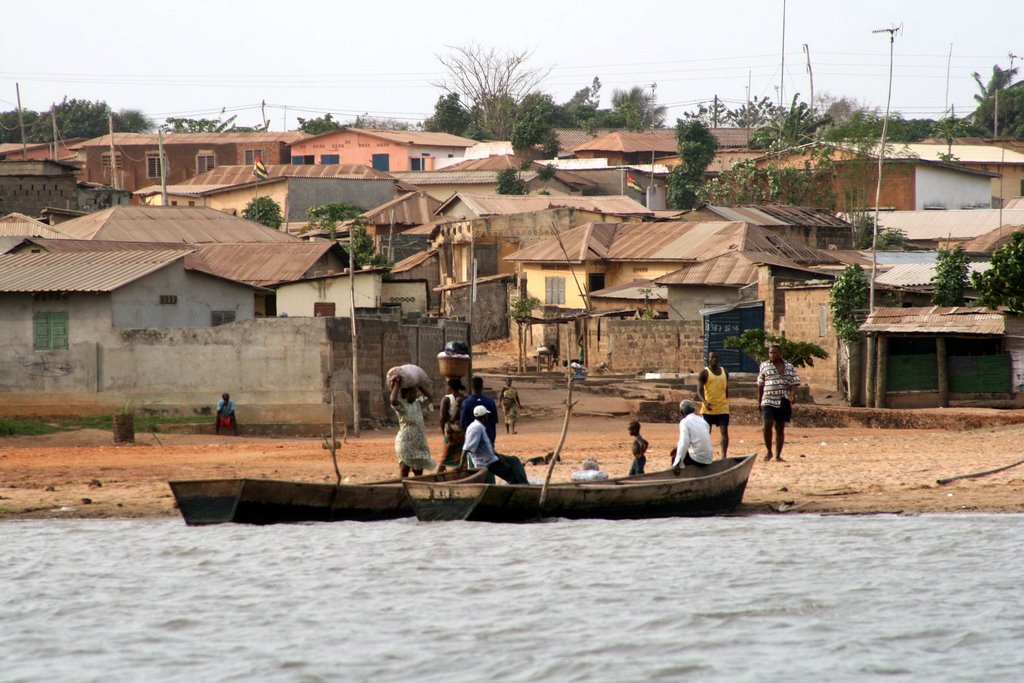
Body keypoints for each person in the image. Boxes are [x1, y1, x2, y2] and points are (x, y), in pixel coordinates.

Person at [461, 405, 530, 485]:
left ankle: (523, 483)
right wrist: (461, 465)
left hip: (491, 457)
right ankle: (522, 486)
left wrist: (497, 454)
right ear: (484, 416)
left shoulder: (478, 426)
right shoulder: (476, 428)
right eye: (487, 415)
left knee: (514, 460)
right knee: (510, 474)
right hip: (487, 462)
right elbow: (467, 448)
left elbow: (486, 446)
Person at [758, 344, 801, 462]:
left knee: (780, 428)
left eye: (775, 353)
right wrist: (759, 401)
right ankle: (769, 451)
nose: (772, 355)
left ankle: (777, 455)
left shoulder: (789, 366)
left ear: (780, 353)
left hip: (783, 398)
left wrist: (793, 394)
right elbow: (760, 384)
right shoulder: (764, 366)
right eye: (770, 353)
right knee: (767, 425)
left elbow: (794, 381)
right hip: (768, 399)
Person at [389, 376, 436, 478]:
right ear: (405, 394)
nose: (415, 395)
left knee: (419, 472)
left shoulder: (418, 404)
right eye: (412, 393)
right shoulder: (402, 406)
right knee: (404, 471)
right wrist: (397, 385)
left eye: (416, 393)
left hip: (419, 444)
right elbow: (393, 400)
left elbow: (430, 397)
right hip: (406, 443)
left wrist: (419, 386)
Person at [698, 351, 730, 459]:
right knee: (706, 433)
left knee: (724, 432)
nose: (714, 359)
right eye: (712, 357)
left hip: (722, 408)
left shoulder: (724, 372)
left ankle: (724, 456)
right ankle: (706, 454)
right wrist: (705, 402)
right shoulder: (704, 373)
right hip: (708, 409)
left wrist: (725, 399)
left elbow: (726, 388)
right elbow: (699, 391)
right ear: (708, 359)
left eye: (716, 357)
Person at [670, 400, 713, 475]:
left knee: (675, 457)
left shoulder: (684, 422)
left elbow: (684, 442)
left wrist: (676, 463)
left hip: (698, 459)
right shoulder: (703, 421)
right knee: (680, 451)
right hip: (709, 459)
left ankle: (680, 479)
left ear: (682, 412)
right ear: (693, 410)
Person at [437, 378, 466, 473]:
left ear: (450, 387)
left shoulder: (446, 399)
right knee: (462, 455)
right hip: (463, 432)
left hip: (451, 432)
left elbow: (442, 418)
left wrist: (443, 431)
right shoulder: (465, 398)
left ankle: (439, 475)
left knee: (445, 456)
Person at [460, 376, 498, 447]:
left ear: (471, 387)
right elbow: (494, 421)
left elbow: (463, 424)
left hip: (472, 440)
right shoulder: (490, 402)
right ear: (482, 386)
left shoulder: (466, 403)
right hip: (488, 439)